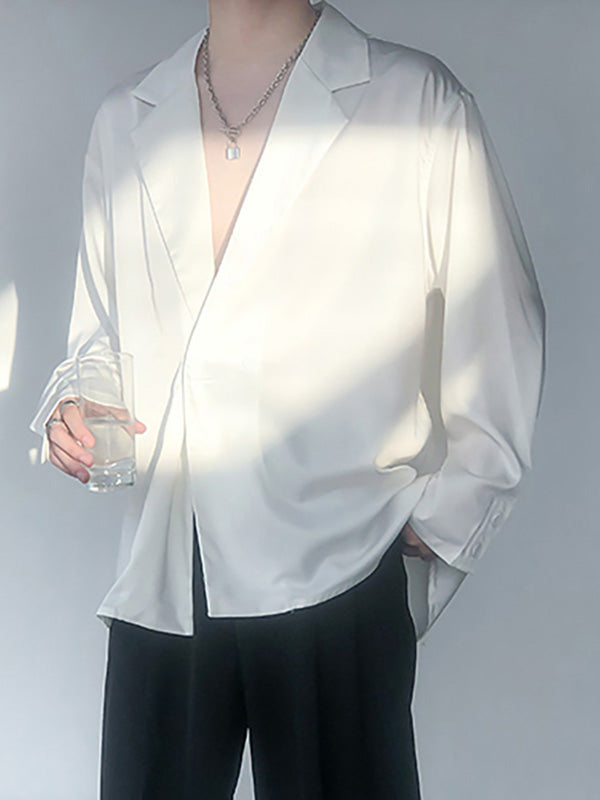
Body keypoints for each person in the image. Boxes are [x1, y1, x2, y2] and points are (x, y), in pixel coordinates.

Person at [29, 0, 546, 797]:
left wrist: (444, 519)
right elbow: (99, 332)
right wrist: (80, 405)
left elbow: (499, 323)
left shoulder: (414, 100)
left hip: (337, 561)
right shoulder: (126, 118)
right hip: (167, 562)